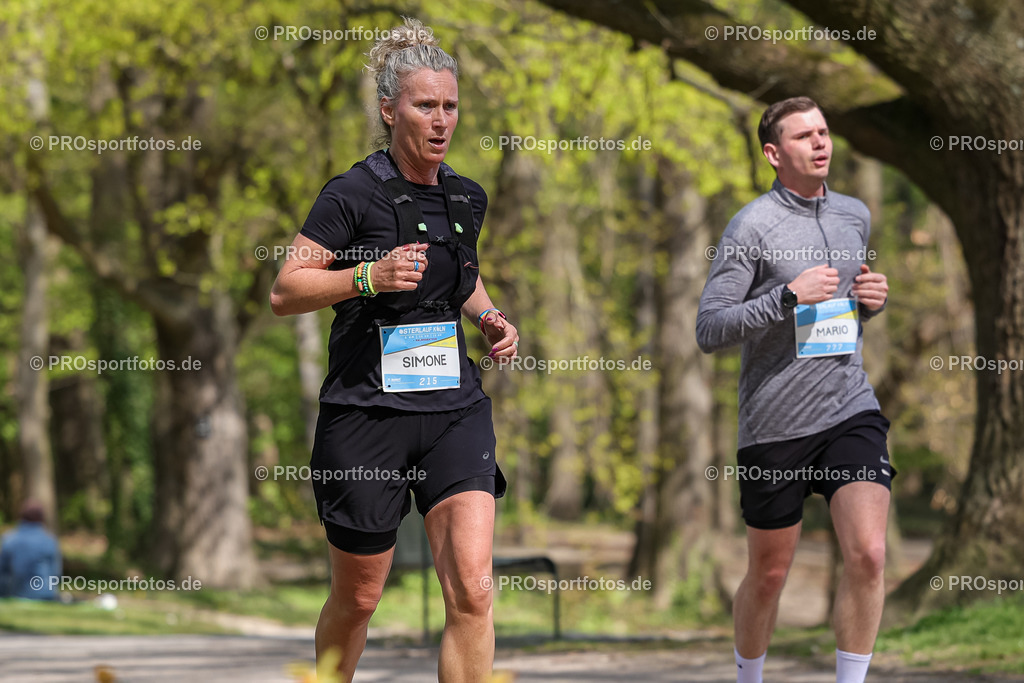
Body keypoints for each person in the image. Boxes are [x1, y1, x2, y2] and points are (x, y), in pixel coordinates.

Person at [269, 17, 518, 683]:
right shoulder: (350, 195)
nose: (441, 121)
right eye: (424, 105)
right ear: (389, 109)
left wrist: (489, 314)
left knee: (473, 588)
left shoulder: (468, 196)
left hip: (453, 412)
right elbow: (286, 289)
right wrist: (365, 277)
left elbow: (460, 275)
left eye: (451, 106)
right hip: (366, 416)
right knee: (358, 597)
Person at [697, 96, 892, 683]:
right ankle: (749, 677)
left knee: (869, 553)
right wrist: (786, 296)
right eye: (805, 136)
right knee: (771, 573)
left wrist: (872, 304)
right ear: (773, 154)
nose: (821, 143)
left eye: (824, 131)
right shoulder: (751, 226)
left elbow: (844, 313)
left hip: (848, 407)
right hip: (774, 424)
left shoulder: (854, 215)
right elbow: (710, 328)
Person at [0, 499, 62, 600]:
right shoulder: (49, 540)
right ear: (42, 518)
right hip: (45, 594)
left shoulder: (9, 539)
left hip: (15, 593)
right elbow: (55, 572)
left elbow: (2, 571)